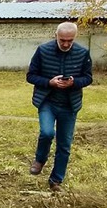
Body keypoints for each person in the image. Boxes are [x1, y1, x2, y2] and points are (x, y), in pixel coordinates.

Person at [26, 22, 93, 192]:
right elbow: (31, 76)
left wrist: (74, 82)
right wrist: (49, 82)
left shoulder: (83, 53)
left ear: (75, 38)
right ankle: (40, 159)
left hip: (70, 105)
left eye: (69, 40)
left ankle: (56, 180)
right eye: (62, 40)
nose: (65, 44)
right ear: (56, 35)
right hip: (47, 101)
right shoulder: (43, 50)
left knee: (64, 144)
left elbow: (88, 78)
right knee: (47, 132)